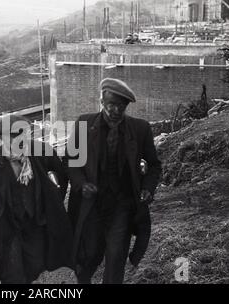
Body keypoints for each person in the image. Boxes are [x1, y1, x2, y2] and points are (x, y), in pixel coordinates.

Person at [66, 78, 162, 284]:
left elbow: (154, 165)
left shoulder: (140, 129)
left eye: (121, 105)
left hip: (123, 204)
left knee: (116, 255)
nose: (116, 110)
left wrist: (147, 188)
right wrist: (82, 184)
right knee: (89, 253)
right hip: (91, 205)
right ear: (101, 101)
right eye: (111, 104)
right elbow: (71, 161)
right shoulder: (84, 124)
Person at [0, 114, 73, 283]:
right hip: (10, 229)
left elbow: (62, 174)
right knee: (12, 272)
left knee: (38, 266)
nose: (20, 139)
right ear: (1, 138)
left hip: (37, 224)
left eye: (24, 133)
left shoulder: (42, 152)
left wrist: (53, 202)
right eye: (14, 135)